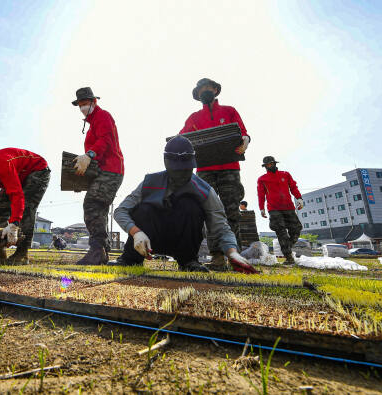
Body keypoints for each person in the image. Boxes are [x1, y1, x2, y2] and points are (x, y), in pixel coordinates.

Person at [111, 136, 257, 273]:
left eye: (185, 170)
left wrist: (232, 253)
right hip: (147, 242)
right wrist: (136, 232)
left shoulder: (204, 191)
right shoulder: (150, 183)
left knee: (190, 205)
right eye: (176, 170)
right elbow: (120, 211)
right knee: (144, 209)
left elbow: (220, 227)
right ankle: (130, 259)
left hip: (182, 241)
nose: (181, 174)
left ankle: (188, 261)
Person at [180, 78, 250, 253]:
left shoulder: (229, 111)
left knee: (231, 211)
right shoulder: (194, 118)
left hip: (230, 168)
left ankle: (235, 255)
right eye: (201, 89)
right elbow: (182, 138)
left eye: (208, 87)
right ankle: (217, 256)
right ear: (197, 94)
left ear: (215, 90)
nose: (205, 91)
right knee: (208, 211)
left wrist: (245, 140)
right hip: (205, 170)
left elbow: (242, 131)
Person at [71, 87, 124, 265]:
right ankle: (100, 252)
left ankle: (97, 250)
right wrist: (82, 180)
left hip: (111, 169)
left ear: (94, 102)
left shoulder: (103, 116)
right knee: (99, 210)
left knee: (92, 204)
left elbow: (106, 140)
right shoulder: (92, 125)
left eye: (85, 103)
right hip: (102, 172)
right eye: (80, 105)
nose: (83, 107)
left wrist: (90, 155)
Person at [257, 156, 304, 264]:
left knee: (297, 228)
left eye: (271, 164)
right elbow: (261, 194)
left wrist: (299, 198)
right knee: (281, 232)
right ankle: (289, 257)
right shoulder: (262, 179)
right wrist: (261, 208)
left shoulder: (285, 174)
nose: (270, 166)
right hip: (274, 209)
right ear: (265, 167)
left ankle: (287, 246)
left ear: (275, 164)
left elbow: (293, 187)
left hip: (288, 207)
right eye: (267, 165)